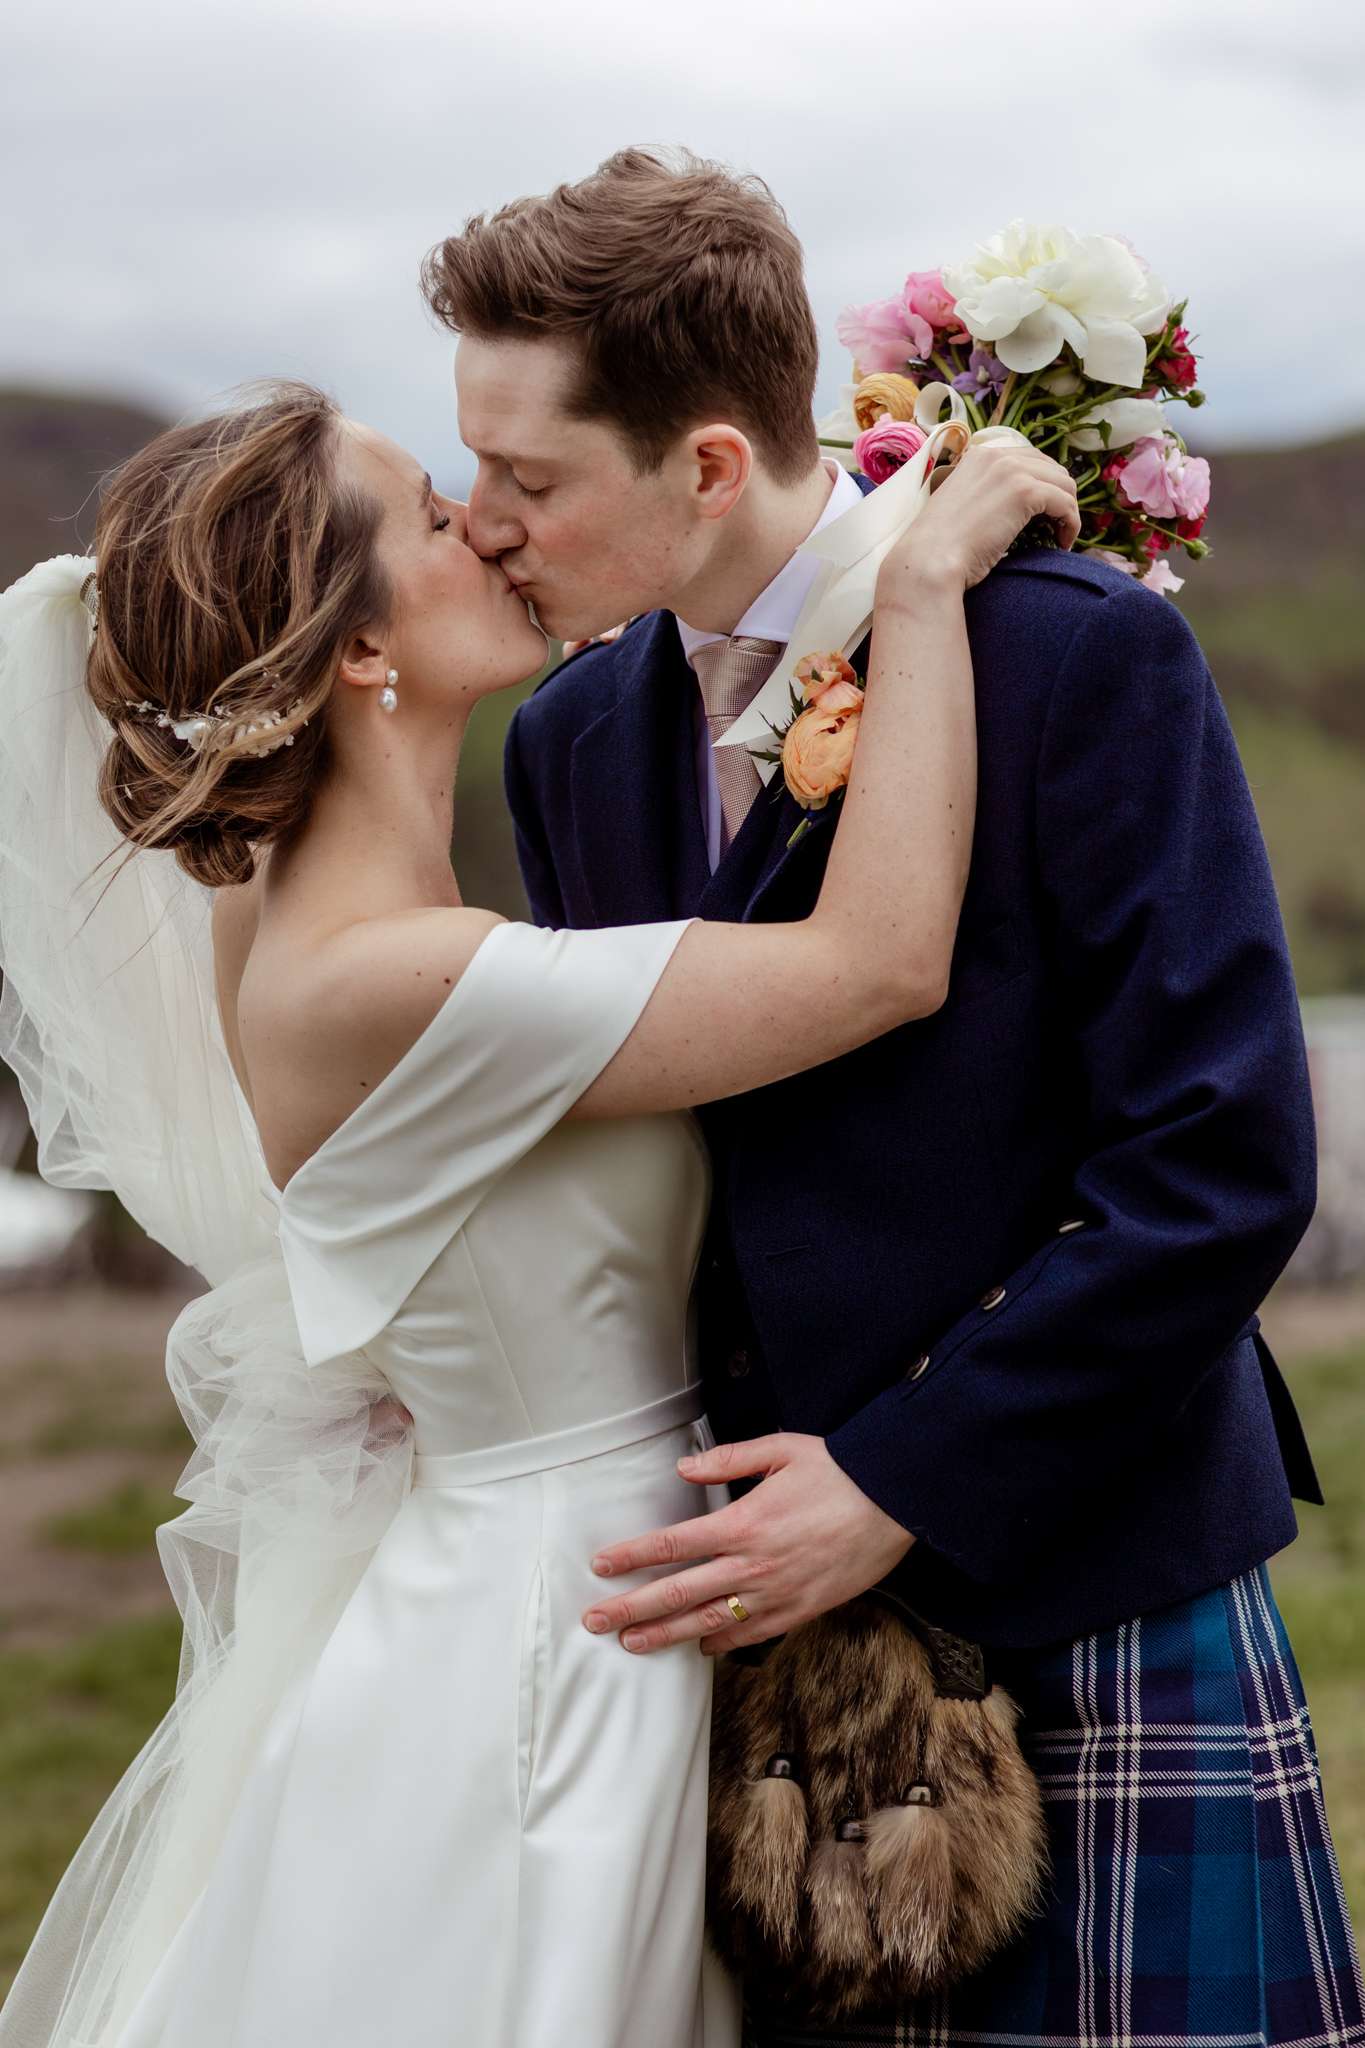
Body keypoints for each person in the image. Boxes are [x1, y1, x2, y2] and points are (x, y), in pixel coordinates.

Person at [423, 148, 1365, 2046]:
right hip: (757, 1629)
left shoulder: (1077, 654)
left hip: (1087, 1569)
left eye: (527, 480)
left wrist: (895, 1482)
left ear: (701, 464)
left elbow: (1220, 1163)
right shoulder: (569, 742)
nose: (483, 523)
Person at [0, 382, 1070, 2046]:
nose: (486, 526)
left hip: (564, 1574)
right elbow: (878, 966)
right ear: (360, 654)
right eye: (432, 515)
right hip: (555, 1643)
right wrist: (921, 591)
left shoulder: (300, 917)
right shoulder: (393, 974)